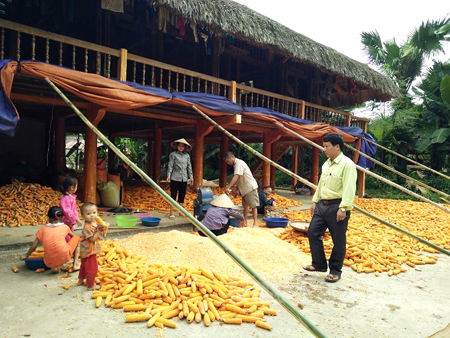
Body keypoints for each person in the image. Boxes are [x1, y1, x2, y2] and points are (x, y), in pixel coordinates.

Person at [303, 133, 357, 283]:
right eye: (323, 146)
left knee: (338, 240)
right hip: (322, 205)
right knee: (313, 232)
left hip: (337, 205)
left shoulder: (347, 165)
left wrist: (344, 207)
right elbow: (321, 183)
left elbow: (349, 188)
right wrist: (314, 201)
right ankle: (319, 264)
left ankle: (335, 270)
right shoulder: (326, 163)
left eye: (327, 146)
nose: (324, 149)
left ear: (337, 146)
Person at [22, 207, 81, 273]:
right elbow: (74, 237)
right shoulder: (64, 227)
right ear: (62, 217)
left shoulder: (42, 229)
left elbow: (33, 246)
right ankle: (75, 264)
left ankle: (55, 268)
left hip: (48, 261)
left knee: (55, 267)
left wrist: (26, 255)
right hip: (64, 255)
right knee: (77, 238)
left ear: (48, 218)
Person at [224, 152, 259, 227]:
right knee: (245, 206)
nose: (228, 163)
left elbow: (236, 176)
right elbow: (239, 178)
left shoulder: (239, 163)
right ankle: (244, 221)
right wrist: (237, 189)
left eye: (228, 161)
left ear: (232, 157)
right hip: (244, 188)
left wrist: (228, 187)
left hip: (249, 186)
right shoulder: (235, 165)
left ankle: (255, 223)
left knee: (253, 205)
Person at [77, 203, 106, 290]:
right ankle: (90, 285)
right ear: (82, 216)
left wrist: (101, 229)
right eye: (88, 214)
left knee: (84, 266)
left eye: (94, 213)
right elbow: (92, 239)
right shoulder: (87, 227)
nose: (92, 215)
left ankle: (80, 280)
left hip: (85, 250)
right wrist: (99, 231)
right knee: (92, 268)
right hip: (89, 251)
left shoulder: (94, 223)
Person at [166, 138, 193, 219]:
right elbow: (170, 165)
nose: (181, 147)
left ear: (185, 147)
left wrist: (191, 176)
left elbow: (189, 166)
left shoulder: (187, 156)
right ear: (176, 146)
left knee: (182, 195)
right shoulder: (173, 155)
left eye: (182, 146)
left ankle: (181, 212)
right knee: (173, 195)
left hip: (184, 178)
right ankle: (171, 212)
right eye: (179, 145)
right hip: (175, 177)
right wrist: (168, 175)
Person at [60, 176, 83, 242]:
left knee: (71, 237)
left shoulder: (70, 198)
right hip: (66, 222)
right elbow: (67, 211)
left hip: (70, 222)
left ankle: (71, 249)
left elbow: (74, 210)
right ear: (72, 188)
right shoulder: (66, 199)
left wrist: (76, 219)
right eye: (76, 186)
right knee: (67, 238)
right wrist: (76, 219)